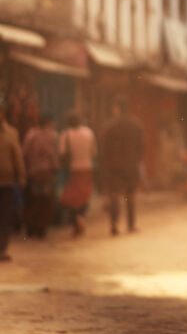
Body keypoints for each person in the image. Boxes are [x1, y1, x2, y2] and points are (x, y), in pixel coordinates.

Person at [100, 96, 145, 235]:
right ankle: (130, 225)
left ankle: (114, 225)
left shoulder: (109, 126)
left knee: (114, 196)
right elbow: (142, 147)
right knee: (130, 196)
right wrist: (137, 160)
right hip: (131, 165)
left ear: (117, 109)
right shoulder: (136, 125)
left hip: (114, 167)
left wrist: (105, 166)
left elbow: (104, 148)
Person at [58, 109, 97, 237]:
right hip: (87, 168)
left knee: (72, 197)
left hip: (72, 169)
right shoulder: (88, 132)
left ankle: (76, 221)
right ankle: (82, 216)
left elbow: (62, 153)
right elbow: (94, 152)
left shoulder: (66, 134)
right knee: (84, 194)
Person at [22, 114, 59, 239]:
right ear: (49, 123)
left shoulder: (31, 135)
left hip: (33, 173)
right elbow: (56, 154)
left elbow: (24, 153)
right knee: (46, 201)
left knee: (33, 200)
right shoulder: (53, 135)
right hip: (48, 173)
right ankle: (42, 228)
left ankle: (31, 226)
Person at [0, 97, 26, 261]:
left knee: (4, 217)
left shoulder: (11, 133)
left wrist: (21, 177)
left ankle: (1, 249)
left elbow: (18, 158)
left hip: (6, 183)